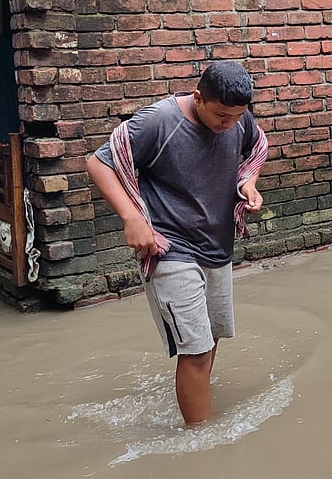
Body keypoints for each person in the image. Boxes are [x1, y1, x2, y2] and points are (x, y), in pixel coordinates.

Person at [86, 60, 267, 426]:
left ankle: (198, 412)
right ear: (198, 97)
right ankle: (200, 440)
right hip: (169, 248)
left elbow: (255, 145)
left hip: (217, 246)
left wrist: (248, 183)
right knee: (197, 350)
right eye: (220, 116)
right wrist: (132, 218)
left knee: (211, 339)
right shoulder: (159, 121)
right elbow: (98, 162)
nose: (227, 125)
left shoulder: (238, 119)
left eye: (235, 117)